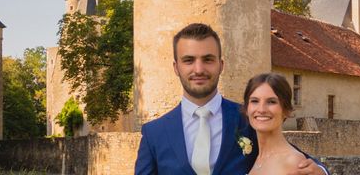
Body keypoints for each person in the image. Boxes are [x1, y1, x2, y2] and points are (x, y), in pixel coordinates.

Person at [134, 23, 329, 175]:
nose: (199, 69)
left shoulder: (247, 119)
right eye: (189, 60)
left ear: (221, 65)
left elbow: (292, 158)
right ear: (176, 67)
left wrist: (321, 171)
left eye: (208, 59)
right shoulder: (154, 134)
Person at [244, 73, 310, 174]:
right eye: (254, 101)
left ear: (286, 110)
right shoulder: (255, 158)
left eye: (271, 102)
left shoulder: (294, 163)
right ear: (246, 109)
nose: (261, 109)